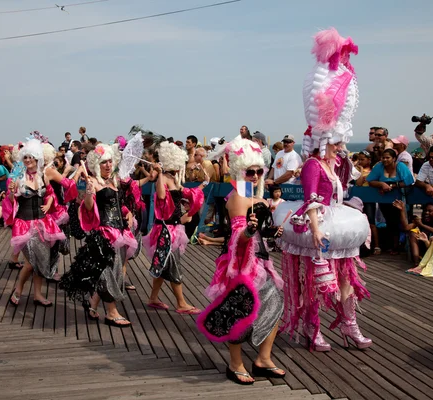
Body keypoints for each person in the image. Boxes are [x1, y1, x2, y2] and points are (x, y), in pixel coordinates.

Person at [275, 28, 371, 352]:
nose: (343, 144)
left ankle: (350, 325)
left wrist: (344, 160)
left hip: (336, 225)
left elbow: (343, 186)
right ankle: (313, 330)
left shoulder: (335, 164)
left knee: (345, 282)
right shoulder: (314, 166)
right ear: (327, 140)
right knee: (316, 285)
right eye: (339, 140)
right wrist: (316, 232)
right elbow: (313, 200)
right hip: (318, 229)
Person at [198, 137, 285, 385]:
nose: (256, 175)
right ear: (240, 171)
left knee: (275, 304)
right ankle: (235, 364)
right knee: (238, 311)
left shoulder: (258, 199)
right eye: (250, 171)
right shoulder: (238, 198)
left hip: (262, 261)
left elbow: (259, 233)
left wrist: (270, 232)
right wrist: (248, 231)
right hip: (241, 264)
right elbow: (237, 238)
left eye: (259, 171)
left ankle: (263, 359)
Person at [59, 143, 137, 327]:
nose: (108, 165)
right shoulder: (93, 182)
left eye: (110, 161)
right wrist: (88, 192)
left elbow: (116, 204)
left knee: (112, 271)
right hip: (105, 234)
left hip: (120, 232)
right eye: (104, 163)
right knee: (109, 272)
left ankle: (93, 305)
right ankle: (111, 312)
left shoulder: (114, 181)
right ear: (96, 165)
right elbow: (88, 207)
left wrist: (127, 211)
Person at [143, 141, 205, 314]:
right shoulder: (163, 179)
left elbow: (185, 193)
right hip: (166, 230)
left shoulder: (173, 179)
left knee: (163, 264)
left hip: (174, 227)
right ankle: (181, 303)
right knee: (174, 264)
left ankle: (153, 298)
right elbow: (161, 196)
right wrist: (160, 173)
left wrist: (203, 186)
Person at [3, 139, 66, 307]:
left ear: (37, 158)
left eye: (31, 157)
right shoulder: (17, 178)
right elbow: (10, 203)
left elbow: (51, 193)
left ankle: (38, 294)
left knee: (41, 261)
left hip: (42, 224)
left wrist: (49, 203)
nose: (28, 160)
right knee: (30, 263)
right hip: (24, 224)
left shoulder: (43, 176)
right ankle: (18, 289)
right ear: (22, 159)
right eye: (26, 157)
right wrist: (11, 193)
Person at [366, 148, 415, 254]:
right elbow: (370, 180)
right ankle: (392, 245)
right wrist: (381, 184)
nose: (385, 160)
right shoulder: (379, 166)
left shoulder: (400, 166)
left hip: (400, 198)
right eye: (383, 157)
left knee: (400, 221)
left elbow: (409, 181)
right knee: (389, 221)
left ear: (394, 159)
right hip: (384, 200)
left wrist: (392, 186)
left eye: (387, 157)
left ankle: (401, 246)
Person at [355, 150, 380, 254]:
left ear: (369, 160)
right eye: (359, 159)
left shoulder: (374, 170)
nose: (360, 161)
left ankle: (377, 245)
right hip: (358, 199)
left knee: (371, 222)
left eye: (362, 159)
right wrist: (360, 170)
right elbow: (359, 183)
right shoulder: (356, 170)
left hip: (370, 199)